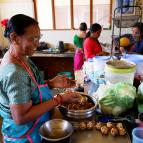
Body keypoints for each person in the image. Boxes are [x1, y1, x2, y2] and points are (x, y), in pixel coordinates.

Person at [0, 14, 81, 143]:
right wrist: (59, 99)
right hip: (25, 135)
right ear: (15, 38)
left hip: (35, 127)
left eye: (39, 37)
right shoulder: (15, 73)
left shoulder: (21, 57)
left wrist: (51, 83)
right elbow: (21, 117)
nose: (37, 44)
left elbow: (28, 87)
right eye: (33, 38)